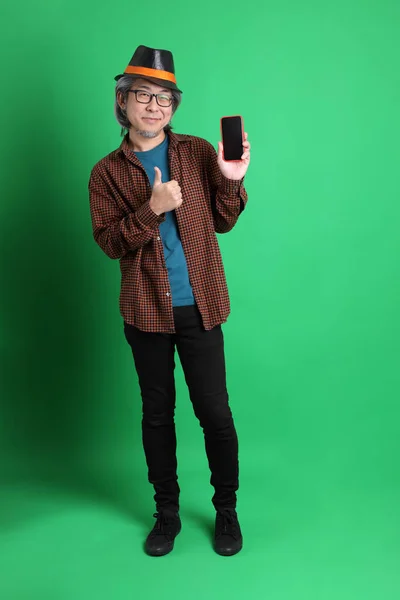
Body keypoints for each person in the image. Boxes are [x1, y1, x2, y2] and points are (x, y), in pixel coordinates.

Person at [88, 45, 250, 557]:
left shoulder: (200, 151)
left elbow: (225, 219)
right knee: (157, 415)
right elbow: (110, 242)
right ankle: (167, 514)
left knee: (215, 413)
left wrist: (232, 183)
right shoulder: (106, 173)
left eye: (164, 98)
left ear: (173, 108)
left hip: (201, 307)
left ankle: (227, 510)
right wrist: (152, 209)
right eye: (143, 96)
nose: (153, 106)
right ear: (123, 102)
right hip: (145, 312)